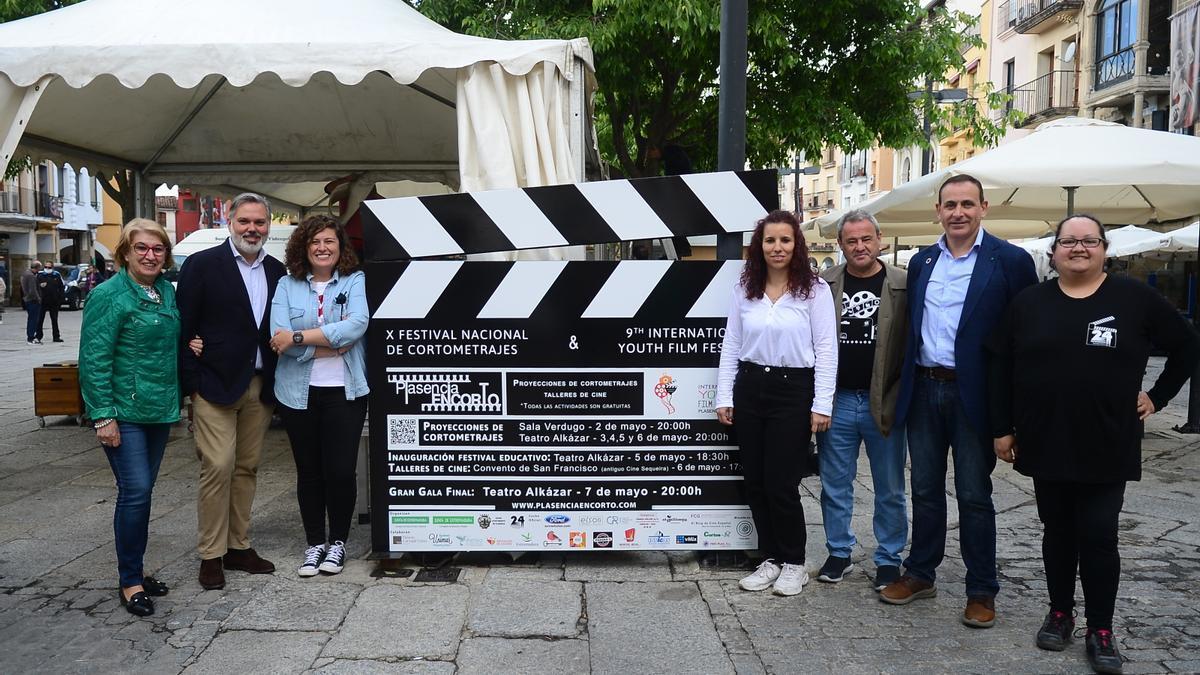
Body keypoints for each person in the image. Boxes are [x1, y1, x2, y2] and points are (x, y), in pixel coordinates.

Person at [989, 215, 1200, 674]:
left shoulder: (1135, 299)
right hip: (1045, 438)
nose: (1078, 248)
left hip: (1108, 439)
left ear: (1105, 249)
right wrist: (1003, 428)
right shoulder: (1029, 303)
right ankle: (1060, 613)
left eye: (1089, 241)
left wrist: (1158, 397)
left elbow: (1188, 346)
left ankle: (1100, 628)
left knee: (1100, 535)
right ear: (1054, 252)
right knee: (1057, 531)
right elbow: (1001, 366)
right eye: (1069, 241)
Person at [881, 174, 1038, 629]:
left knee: (973, 495)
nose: (958, 213)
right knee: (925, 490)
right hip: (924, 389)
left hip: (976, 396)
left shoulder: (1009, 260)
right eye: (950, 205)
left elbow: (1021, 338)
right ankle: (921, 573)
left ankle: (981, 590)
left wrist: (1012, 415)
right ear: (939, 210)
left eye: (967, 204)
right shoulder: (922, 261)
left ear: (984, 208)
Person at [716, 209, 837, 597]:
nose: (777, 247)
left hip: (793, 389)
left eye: (785, 240)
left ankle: (794, 562)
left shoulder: (814, 290)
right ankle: (769, 558)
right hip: (750, 387)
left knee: (783, 483)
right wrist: (724, 395)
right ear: (760, 246)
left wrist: (822, 404)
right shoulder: (745, 289)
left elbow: (826, 349)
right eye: (770, 240)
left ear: (796, 244)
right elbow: (731, 345)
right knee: (755, 480)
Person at [176, 192, 286, 590]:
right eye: (245, 222)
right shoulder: (201, 265)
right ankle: (211, 554)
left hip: (259, 386)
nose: (252, 229)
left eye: (259, 222)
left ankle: (238, 546)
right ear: (229, 221)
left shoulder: (278, 270)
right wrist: (191, 385)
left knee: (246, 469)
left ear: (268, 226)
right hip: (214, 385)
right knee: (218, 466)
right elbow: (182, 329)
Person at [78, 219, 180, 617]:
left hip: (157, 409)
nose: (150, 255)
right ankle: (129, 581)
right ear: (125, 253)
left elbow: (167, 342)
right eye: (142, 248)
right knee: (134, 491)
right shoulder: (107, 295)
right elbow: (94, 359)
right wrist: (103, 416)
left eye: (157, 249)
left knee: (143, 493)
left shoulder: (165, 291)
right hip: (124, 410)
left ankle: (135, 568)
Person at [267, 215, 368, 577]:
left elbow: (357, 324)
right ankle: (314, 543)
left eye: (329, 241)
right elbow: (278, 337)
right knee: (309, 471)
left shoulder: (356, 280)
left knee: (341, 470)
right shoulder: (285, 285)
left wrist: (299, 337)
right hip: (297, 392)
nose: (322, 248)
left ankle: (337, 543)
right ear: (303, 248)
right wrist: (324, 345)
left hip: (346, 390)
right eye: (315, 242)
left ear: (340, 247)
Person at [816, 210, 909, 590]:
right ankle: (839, 552)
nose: (859, 246)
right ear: (840, 245)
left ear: (879, 239)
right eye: (851, 241)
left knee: (889, 486)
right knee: (835, 483)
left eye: (866, 239)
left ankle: (888, 558)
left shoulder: (902, 283)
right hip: (837, 400)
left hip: (884, 400)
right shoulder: (824, 283)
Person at [38, 263, 65, 342]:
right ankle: (38, 336)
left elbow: (61, 287)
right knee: (40, 319)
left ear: (52, 268)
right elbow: (36, 286)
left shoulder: (56, 275)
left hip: (54, 301)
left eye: (49, 267)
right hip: (43, 301)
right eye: (45, 267)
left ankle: (56, 336)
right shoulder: (40, 276)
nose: (47, 268)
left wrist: (60, 298)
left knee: (54, 319)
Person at [20, 260, 43, 344]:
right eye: (39, 268)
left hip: (27, 299)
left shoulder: (25, 273)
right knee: (33, 320)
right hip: (33, 300)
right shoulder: (31, 276)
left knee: (31, 319)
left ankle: (30, 336)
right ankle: (31, 337)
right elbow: (33, 290)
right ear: (37, 268)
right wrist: (38, 299)